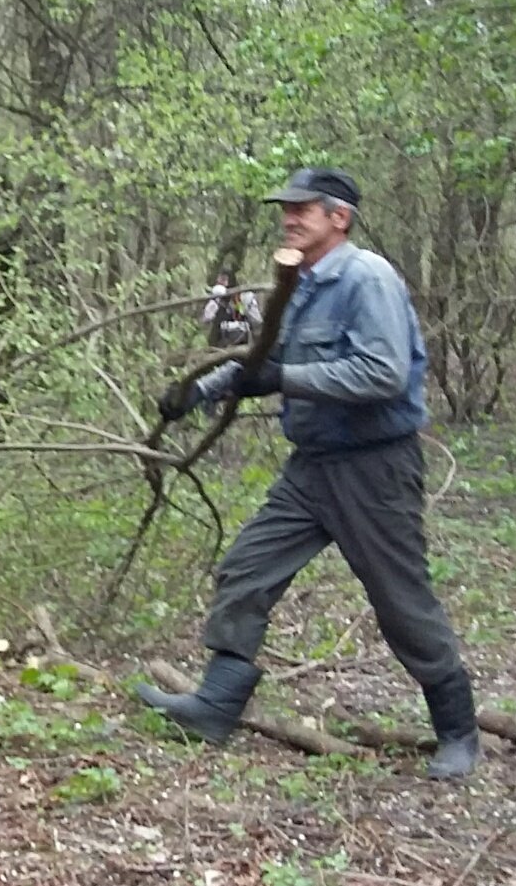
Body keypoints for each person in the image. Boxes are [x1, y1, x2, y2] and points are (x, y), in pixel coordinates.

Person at [145, 168, 480, 780]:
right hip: (312, 468)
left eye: (303, 210)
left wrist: (285, 379)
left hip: (374, 469)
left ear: (339, 218)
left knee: (401, 600)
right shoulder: (299, 282)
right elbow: (264, 360)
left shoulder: (366, 278)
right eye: (286, 209)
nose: (289, 219)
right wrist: (198, 392)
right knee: (248, 567)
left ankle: (458, 731)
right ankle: (215, 706)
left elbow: (382, 374)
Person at [201, 271, 259, 348]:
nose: (221, 283)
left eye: (224, 280)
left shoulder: (241, 298)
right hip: (220, 339)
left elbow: (254, 320)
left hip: (240, 337)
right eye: (220, 280)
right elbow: (206, 319)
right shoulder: (216, 301)